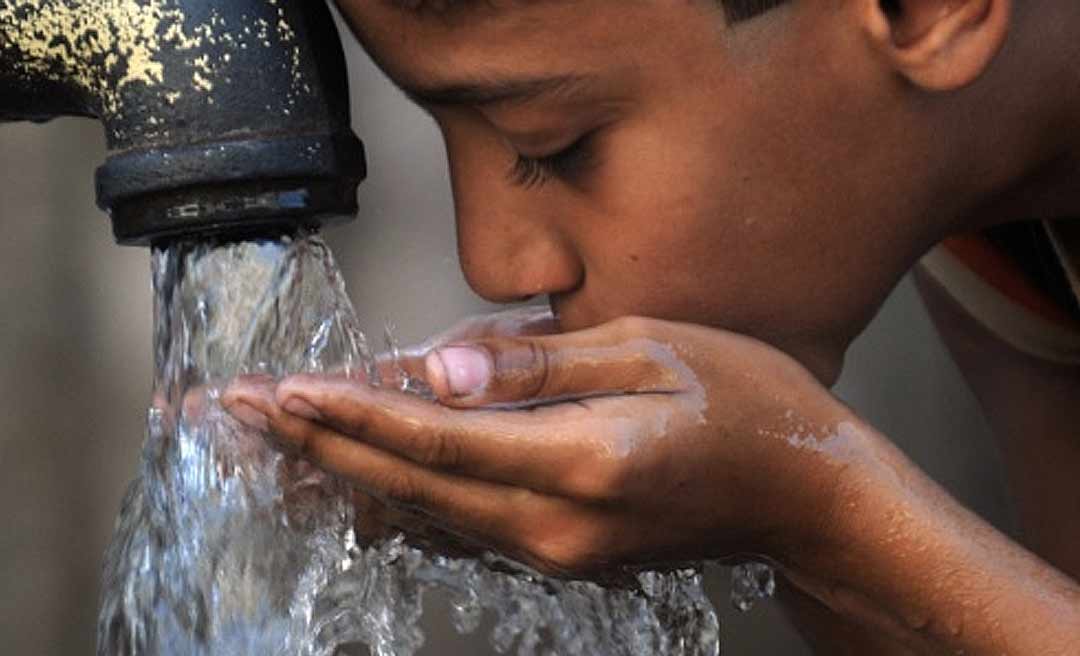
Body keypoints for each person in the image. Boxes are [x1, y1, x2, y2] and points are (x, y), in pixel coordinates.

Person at [223, 0, 1080, 652]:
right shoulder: (998, 232)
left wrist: (826, 514)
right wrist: (742, 512)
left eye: (555, 146)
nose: (491, 260)